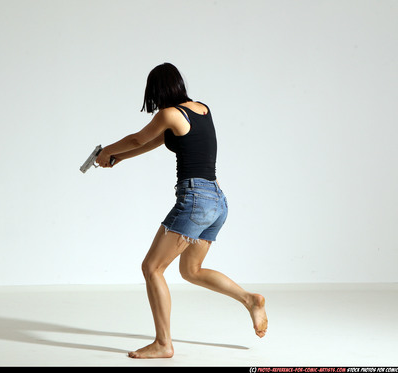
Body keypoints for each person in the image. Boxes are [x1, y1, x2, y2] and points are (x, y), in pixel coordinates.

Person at [95, 63, 268, 359]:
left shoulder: (169, 113)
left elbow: (139, 137)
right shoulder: (200, 109)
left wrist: (106, 151)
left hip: (196, 200)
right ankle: (250, 300)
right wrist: (119, 158)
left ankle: (163, 344)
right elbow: (155, 141)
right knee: (191, 271)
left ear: (157, 90)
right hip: (217, 201)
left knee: (152, 268)